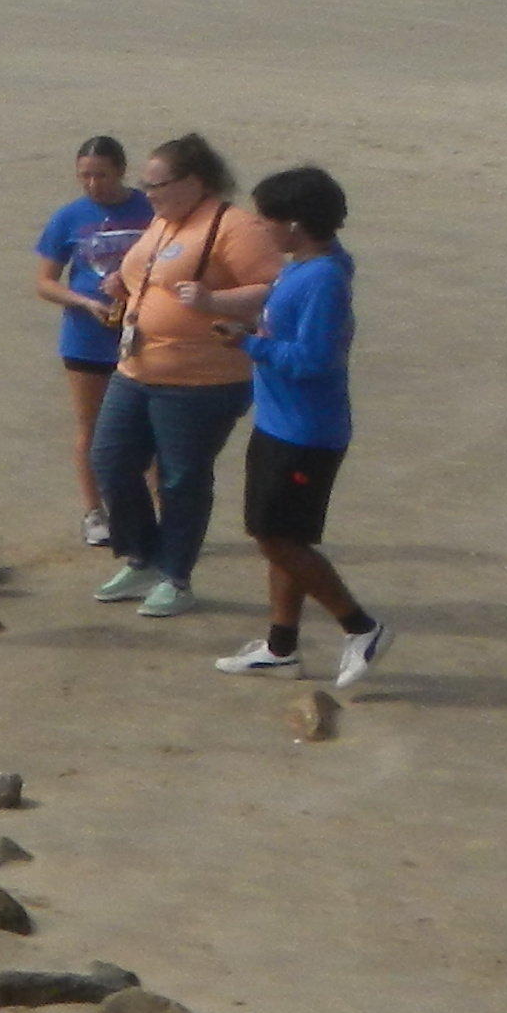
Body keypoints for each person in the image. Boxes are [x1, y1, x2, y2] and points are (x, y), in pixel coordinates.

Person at [189, 165, 390, 683]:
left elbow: (313, 360)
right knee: (279, 536)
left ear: (295, 224)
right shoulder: (312, 265)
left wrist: (247, 342)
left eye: (268, 219)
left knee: (278, 539)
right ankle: (281, 648)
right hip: (283, 424)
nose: (261, 229)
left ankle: (360, 626)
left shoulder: (322, 278)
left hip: (304, 432)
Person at [88, 131, 276, 618]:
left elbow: (275, 287)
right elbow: (147, 274)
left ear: (194, 181)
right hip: (136, 367)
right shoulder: (164, 222)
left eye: (158, 185)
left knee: (180, 478)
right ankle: (141, 555)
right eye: (146, 185)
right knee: (110, 460)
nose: (148, 195)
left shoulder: (236, 227)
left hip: (201, 381)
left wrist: (214, 302)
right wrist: (122, 285)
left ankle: (176, 574)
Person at [30, 134, 150, 549]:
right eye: (85, 176)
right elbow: (45, 283)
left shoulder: (149, 211)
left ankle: (157, 512)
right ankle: (95, 512)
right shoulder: (69, 218)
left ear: (121, 171)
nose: (93, 184)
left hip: (142, 333)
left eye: (101, 175)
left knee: (148, 427)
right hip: (87, 338)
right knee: (91, 427)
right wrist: (84, 301)